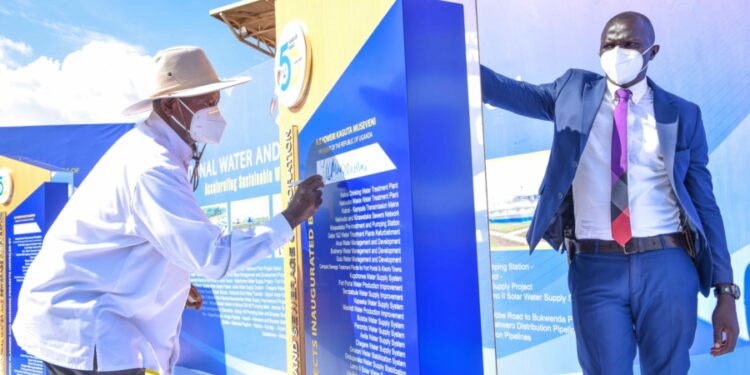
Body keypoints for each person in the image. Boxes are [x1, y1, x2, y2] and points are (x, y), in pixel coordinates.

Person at [12, 46, 324, 375]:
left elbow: (138, 242)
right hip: (85, 328)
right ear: (172, 105)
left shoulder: (151, 153)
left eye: (216, 100)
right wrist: (290, 217)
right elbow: (213, 257)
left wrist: (173, 283)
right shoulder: (151, 166)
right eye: (207, 101)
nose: (216, 111)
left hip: (77, 322)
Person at [481, 11, 739, 374]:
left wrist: (725, 291)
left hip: (667, 266)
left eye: (630, 44)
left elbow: (705, 206)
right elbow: (508, 91)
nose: (618, 52)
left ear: (653, 51)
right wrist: (452, 60)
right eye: (609, 44)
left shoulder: (683, 114)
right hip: (595, 267)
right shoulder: (571, 91)